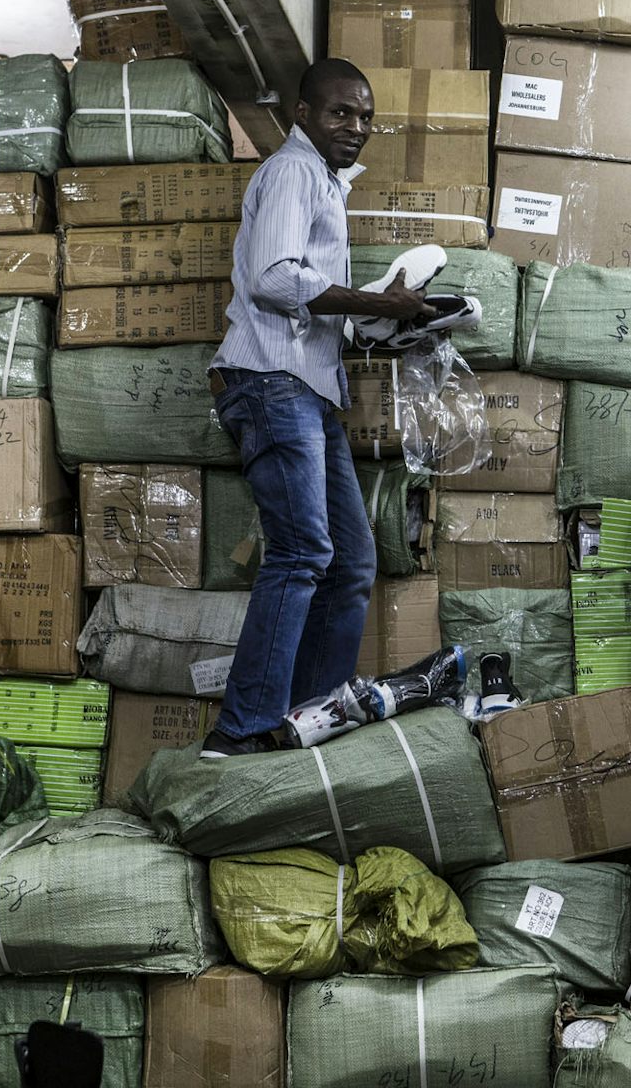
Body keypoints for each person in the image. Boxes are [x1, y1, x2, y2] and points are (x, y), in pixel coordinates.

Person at [204, 57, 460, 757]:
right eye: (341, 113)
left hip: (310, 391)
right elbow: (274, 278)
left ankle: (307, 722)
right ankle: (241, 731)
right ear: (304, 113)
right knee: (302, 552)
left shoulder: (323, 183)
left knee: (350, 562)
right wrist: (380, 301)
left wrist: (394, 317)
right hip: (270, 383)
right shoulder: (291, 172)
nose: (356, 128)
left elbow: (315, 301)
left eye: (366, 117)